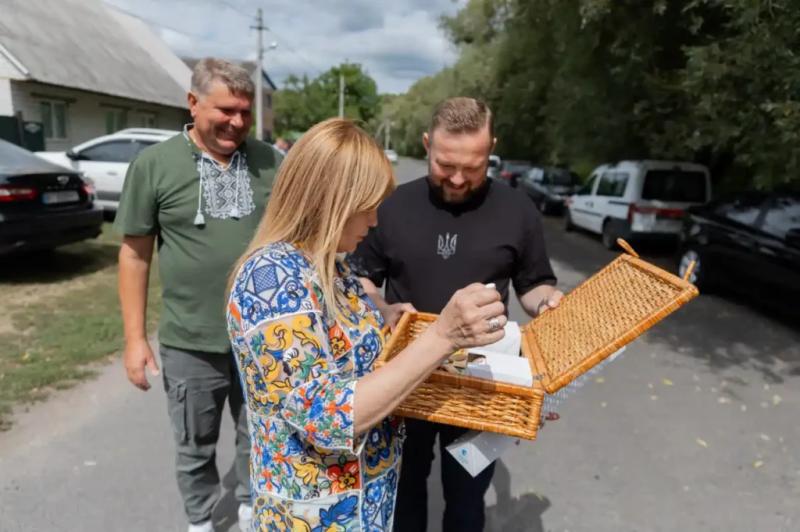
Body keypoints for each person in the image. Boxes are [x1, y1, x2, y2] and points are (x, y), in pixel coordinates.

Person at [225, 117, 508, 531]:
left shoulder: (333, 268)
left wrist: (387, 319)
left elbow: (362, 363)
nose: (375, 221)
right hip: (314, 518)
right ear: (332, 201)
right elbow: (328, 416)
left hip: (364, 509)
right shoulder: (270, 278)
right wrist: (442, 335)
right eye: (369, 207)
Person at [350, 97, 564, 532]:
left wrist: (547, 303)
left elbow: (533, 284)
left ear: (492, 149)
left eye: (474, 166)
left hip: (482, 383)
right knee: (402, 494)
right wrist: (384, 307)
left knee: (467, 501)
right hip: (405, 377)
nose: (459, 178)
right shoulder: (391, 205)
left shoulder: (518, 210)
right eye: (446, 164)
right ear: (427, 144)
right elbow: (364, 281)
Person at [115, 58, 281, 532]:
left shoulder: (271, 161)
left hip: (262, 338)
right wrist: (133, 339)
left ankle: (252, 508)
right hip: (191, 340)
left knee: (260, 433)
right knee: (194, 442)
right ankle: (202, 521)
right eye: (226, 110)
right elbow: (134, 255)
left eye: (246, 113)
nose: (238, 122)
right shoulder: (155, 165)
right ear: (193, 103)